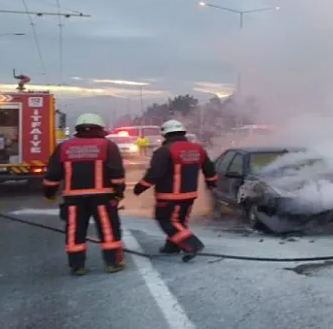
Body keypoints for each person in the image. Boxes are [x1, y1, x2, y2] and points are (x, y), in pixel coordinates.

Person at [42, 113, 127, 275]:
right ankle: (112, 262)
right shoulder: (108, 146)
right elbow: (117, 175)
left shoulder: (64, 147)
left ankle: (77, 266)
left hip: (73, 199)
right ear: (100, 128)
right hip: (102, 198)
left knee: (75, 231)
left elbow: (52, 176)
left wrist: (49, 194)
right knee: (108, 230)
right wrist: (118, 195)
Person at [133, 119, 216, 262]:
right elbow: (209, 169)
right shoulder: (198, 149)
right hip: (190, 195)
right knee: (179, 222)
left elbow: (154, 174)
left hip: (169, 196)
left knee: (166, 220)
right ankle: (172, 247)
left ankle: (192, 244)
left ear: (165, 135)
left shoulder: (164, 151)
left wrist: (139, 188)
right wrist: (211, 183)